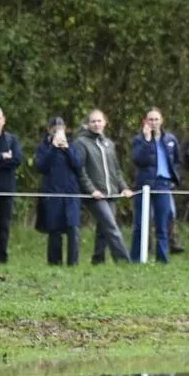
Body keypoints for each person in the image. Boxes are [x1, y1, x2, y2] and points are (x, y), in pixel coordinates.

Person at [74, 109, 134, 264]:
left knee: (103, 229)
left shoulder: (109, 144)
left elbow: (116, 170)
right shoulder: (81, 143)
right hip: (95, 194)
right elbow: (80, 170)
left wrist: (124, 187)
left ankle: (98, 260)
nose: (96, 124)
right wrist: (91, 190)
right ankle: (124, 261)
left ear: (105, 123)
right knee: (111, 226)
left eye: (99, 121)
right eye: (93, 121)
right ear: (88, 124)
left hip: (111, 193)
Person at [130, 108, 181, 263]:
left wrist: (173, 178)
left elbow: (176, 160)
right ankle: (136, 258)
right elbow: (138, 160)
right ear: (145, 121)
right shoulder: (139, 139)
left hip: (163, 184)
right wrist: (146, 140)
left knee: (163, 223)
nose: (153, 122)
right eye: (150, 120)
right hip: (144, 184)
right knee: (140, 223)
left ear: (161, 120)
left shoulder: (170, 139)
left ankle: (162, 258)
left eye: (156, 119)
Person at [35, 117, 84, 266]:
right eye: (54, 128)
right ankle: (54, 263)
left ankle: (73, 263)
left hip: (71, 193)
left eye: (60, 128)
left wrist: (67, 149)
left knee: (73, 228)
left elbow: (78, 165)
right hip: (52, 193)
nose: (58, 131)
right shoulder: (44, 147)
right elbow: (41, 167)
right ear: (49, 130)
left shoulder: (72, 145)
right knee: (54, 229)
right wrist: (53, 148)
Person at [0, 106, 23, 263]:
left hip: (6, 190)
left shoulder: (11, 140)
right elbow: (8, 161)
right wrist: (2, 157)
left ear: (3, 120)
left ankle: (1, 257)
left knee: (4, 225)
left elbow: (17, 160)